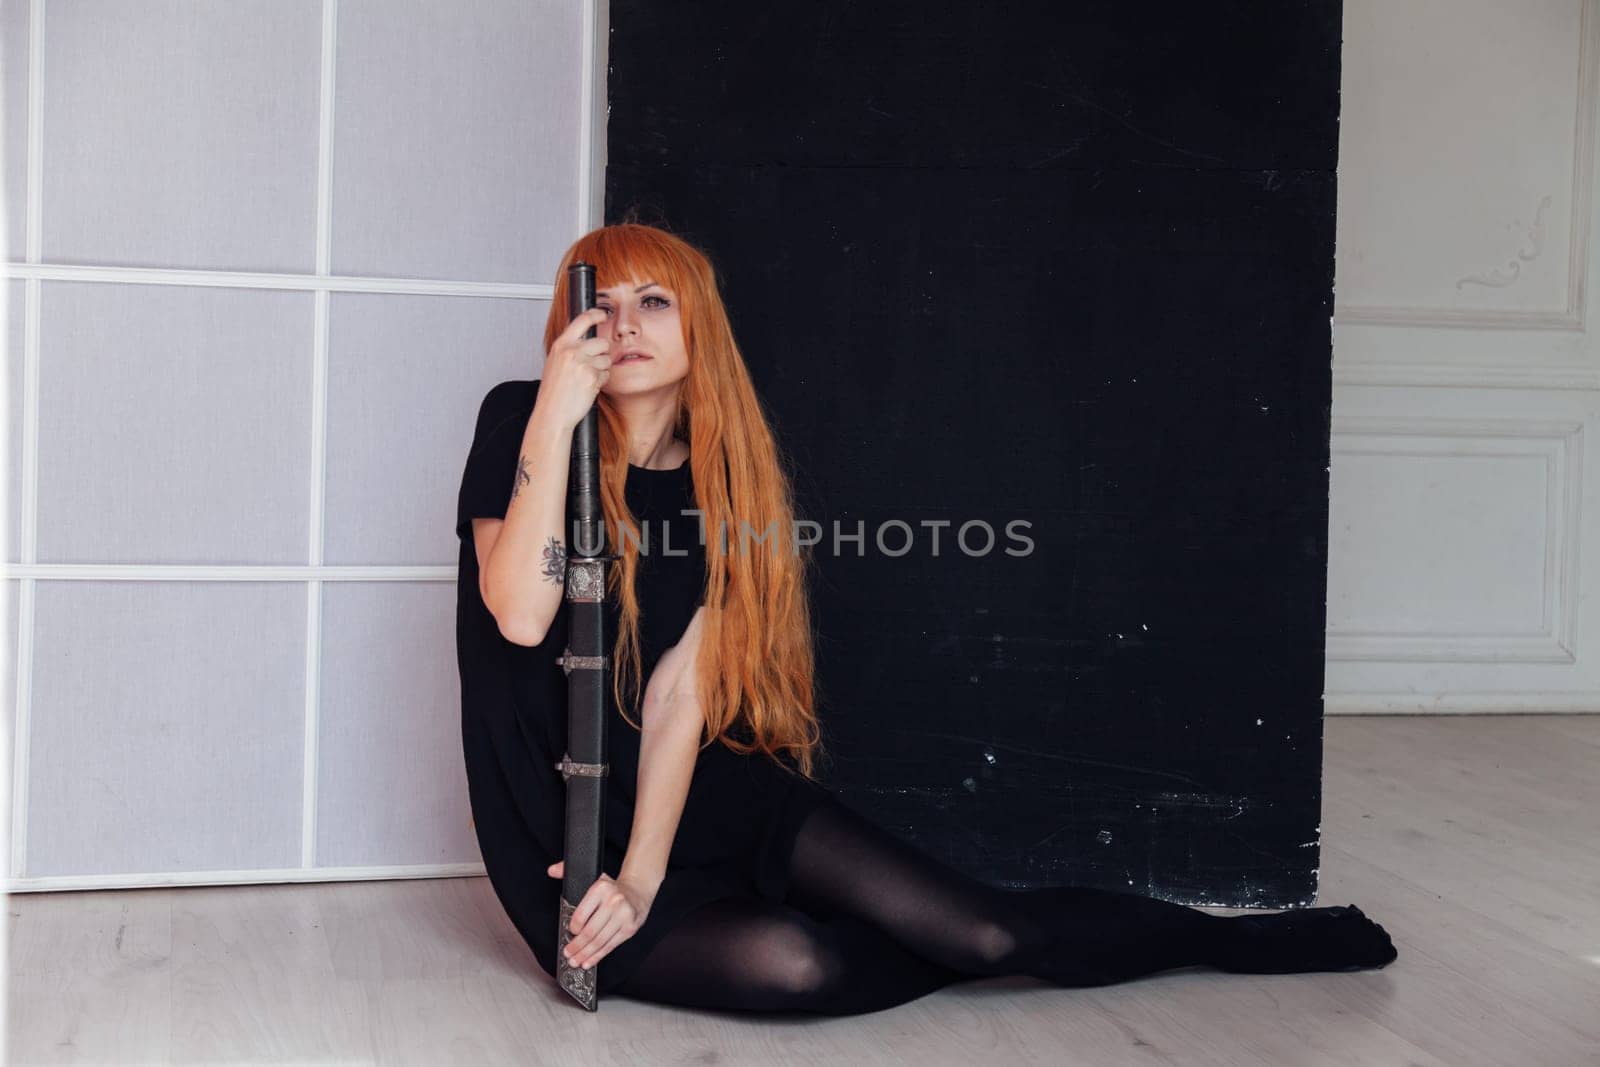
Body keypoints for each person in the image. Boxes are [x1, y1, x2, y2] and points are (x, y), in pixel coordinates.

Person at [454, 222, 1398, 1016]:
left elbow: (676, 697)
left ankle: (1228, 942)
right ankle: (967, 953)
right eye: (602, 306)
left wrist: (647, 878)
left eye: (653, 302)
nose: (625, 327)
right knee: (797, 964)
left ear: (698, 325)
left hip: (703, 798)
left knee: (992, 930)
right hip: (564, 831)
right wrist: (555, 412)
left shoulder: (721, 485)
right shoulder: (520, 420)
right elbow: (523, 616)